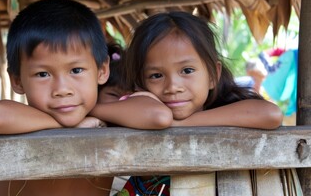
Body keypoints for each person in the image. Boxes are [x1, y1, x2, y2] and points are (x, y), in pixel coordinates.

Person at [115, 11, 283, 196]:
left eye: (187, 70)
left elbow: (271, 114)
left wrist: (177, 124)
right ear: (140, 82)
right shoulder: (136, 108)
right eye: (156, 75)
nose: (173, 87)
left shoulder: (229, 107)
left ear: (213, 75)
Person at [0, 0, 113, 196]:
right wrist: (71, 126)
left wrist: (94, 116)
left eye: (75, 70)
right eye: (43, 74)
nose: (62, 89)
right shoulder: (21, 120)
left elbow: (157, 115)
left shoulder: (106, 115)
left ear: (102, 70)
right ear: (17, 81)